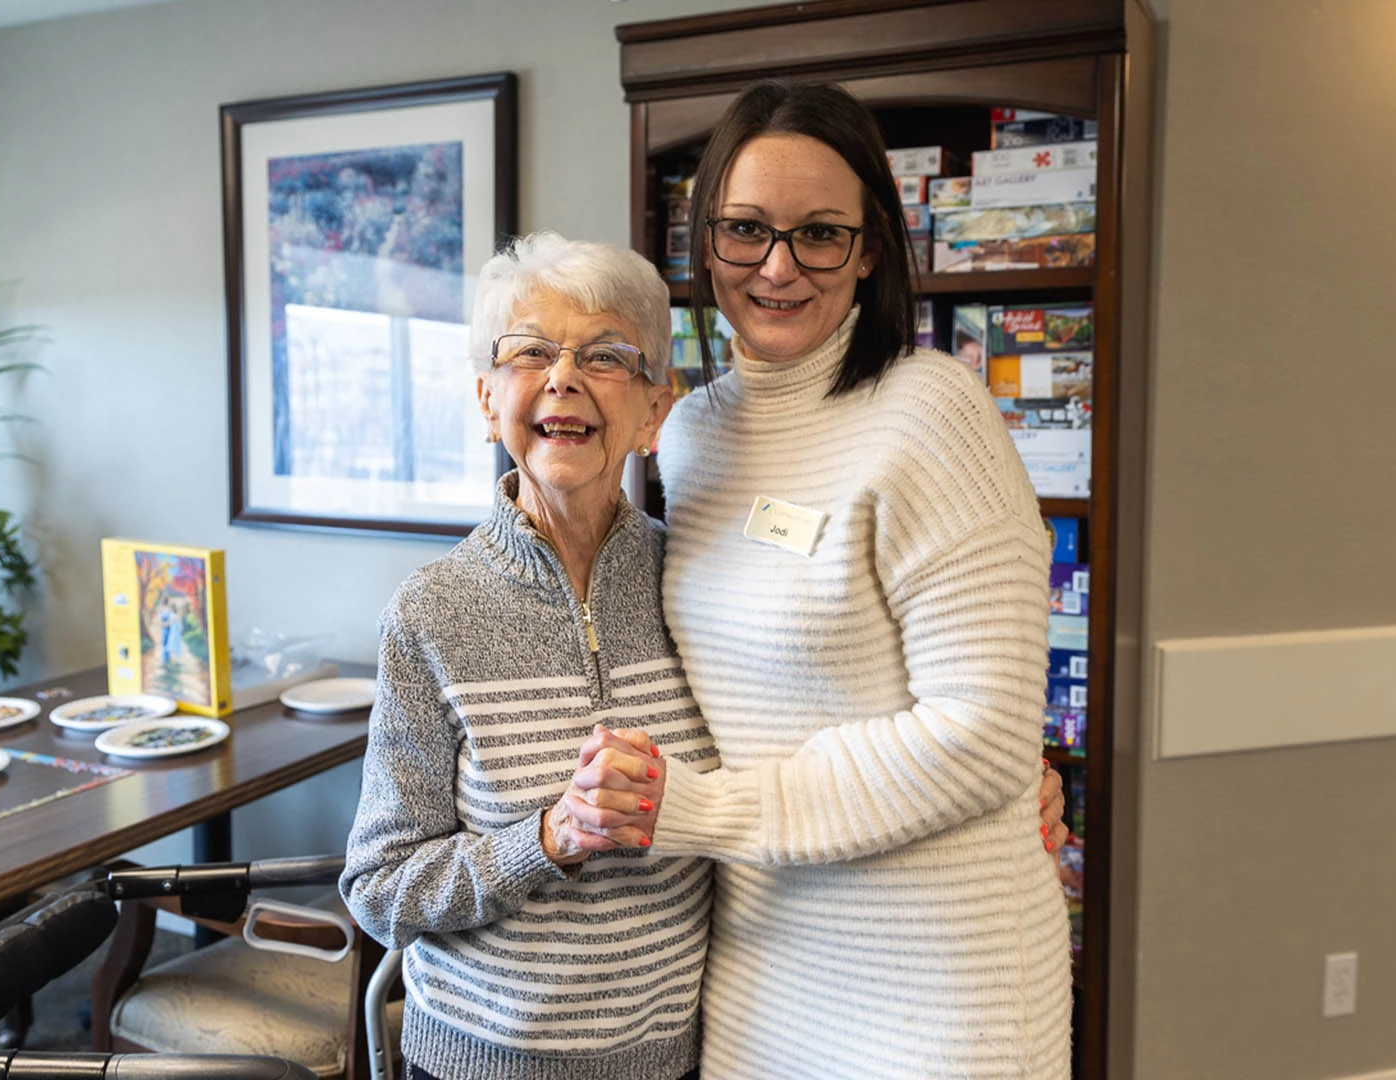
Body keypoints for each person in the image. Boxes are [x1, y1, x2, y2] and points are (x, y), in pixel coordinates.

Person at [568, 80, 1074, 1079]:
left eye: (821, 234)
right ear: (704, 243)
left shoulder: (932, 411)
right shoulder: (693, 433)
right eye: (746, 230)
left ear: (873, 247)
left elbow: (980, 736)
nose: (779, 267)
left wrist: (704, 810)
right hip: (760, 972)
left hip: (938, 986)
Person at [339, 231, 713, 1080]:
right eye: (532, 351)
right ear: (486, 396)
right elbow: (377, 888)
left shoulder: (704, 583)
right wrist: (548, 837)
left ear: (655, 408)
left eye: (608, 355)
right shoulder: (431, 612)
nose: (564, 377)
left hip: (674, 1061)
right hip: (478, 1064)